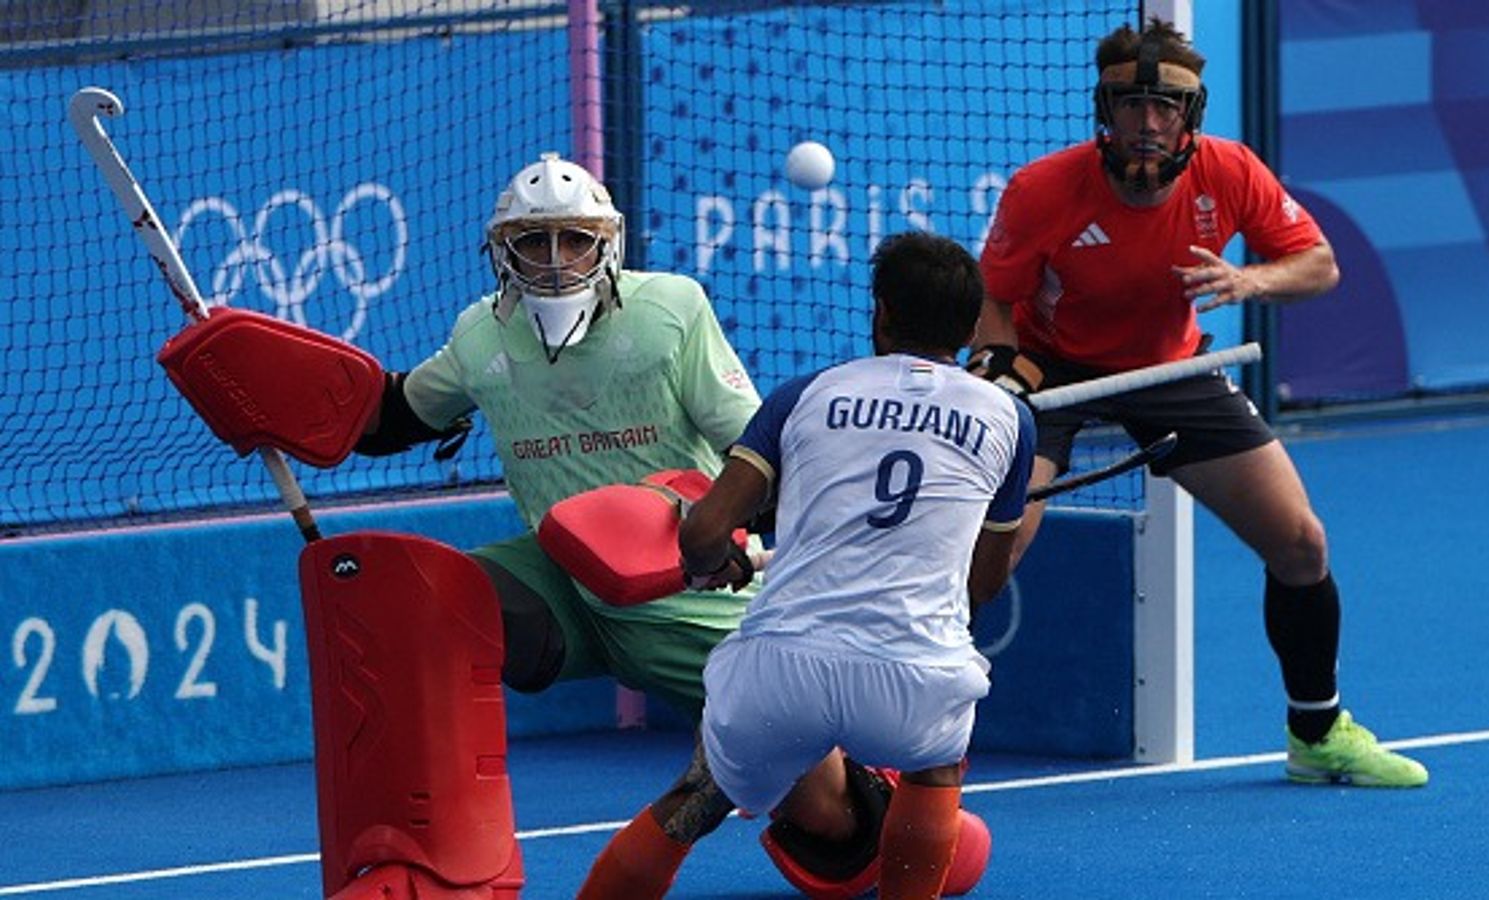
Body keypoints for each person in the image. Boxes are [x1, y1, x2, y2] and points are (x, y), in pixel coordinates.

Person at [354, 152, 895, 882]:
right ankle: (436, 855)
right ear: (502, 251)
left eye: (574, 240)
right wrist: (282, 402)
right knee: (429, 606)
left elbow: (755, 452)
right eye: (533, 241)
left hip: (691, 596)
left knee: (840, 828)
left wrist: (729, 542)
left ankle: (862, 789)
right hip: (562, 584)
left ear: (606, 244)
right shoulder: (481, 335)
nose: (555, 261)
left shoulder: (670, 310)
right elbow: (393, 415)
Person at [970, 19, 1428, 788]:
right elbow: (994, 301)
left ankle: (1316, 735)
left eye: (1166, 106)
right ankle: (909, 740)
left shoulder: (1231, 170)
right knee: (993, 558)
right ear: (1105, 110)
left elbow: (1317, 264)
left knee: (1301, 544)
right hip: (1051, 371)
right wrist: (998, 370)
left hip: (1170, 368)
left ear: (1191, 113)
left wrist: (1251, 280)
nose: (1148, 122)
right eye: (1132, 104)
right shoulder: (1041, 189)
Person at [577, 231, 1036, 899]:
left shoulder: (805, 395)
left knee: (698, 795)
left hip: (780, 669)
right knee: (935, 766)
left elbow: (703, 532)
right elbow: (983, 585)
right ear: (970, 331)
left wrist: (718, 563)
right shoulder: (1011, 421)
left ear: (880, 312)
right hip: (913, 676)